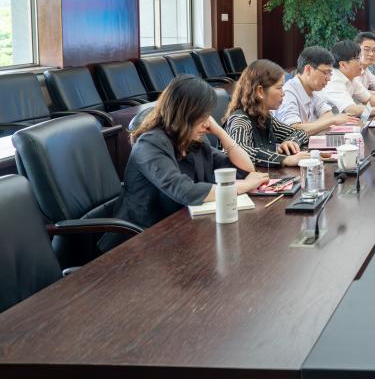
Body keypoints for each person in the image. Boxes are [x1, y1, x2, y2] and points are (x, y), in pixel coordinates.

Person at [100, 75, 268, 250]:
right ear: (185, 114)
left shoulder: (192, 140)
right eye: (202, 116)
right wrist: (242, 186)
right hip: (139, 240)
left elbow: (245, 170)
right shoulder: (150, 144)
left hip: (179, 230)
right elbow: (184, 190)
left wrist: (221, 132)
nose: (207, 122)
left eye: (208, 115)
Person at [223, 59, 311, 168]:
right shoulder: (240, 120)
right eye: (279, 88)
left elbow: (300, 133)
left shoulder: (263, 117)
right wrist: (284, 159)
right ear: (260, 91)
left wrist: (291, 142)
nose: (283, 93)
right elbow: (240, 151)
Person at [273, 46, 355, 134]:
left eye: (330, 73)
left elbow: (328, 114)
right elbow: (293, 130)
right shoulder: (288, 93)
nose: (328, 78)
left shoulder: (315, 89)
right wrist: (331, 121)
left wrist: (310, 127)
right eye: (325, 72)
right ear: (308, 69)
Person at [322, 40, 375, 117]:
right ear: (343, 64)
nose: (361, 61)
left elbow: (369, 99)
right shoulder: (334, 80)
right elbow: (352, 110)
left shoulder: (352, 77)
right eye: (358, 59)